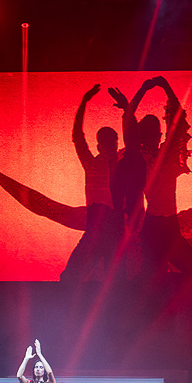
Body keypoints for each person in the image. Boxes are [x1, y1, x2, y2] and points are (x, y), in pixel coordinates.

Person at [117, 76, 192, 282]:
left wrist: (148, 89)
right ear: (154, 136)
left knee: (184, 273)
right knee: (158, 278)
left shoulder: (162, 154)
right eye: (155, 134)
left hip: (164, 226)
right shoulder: (147, 157)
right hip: (158, 226)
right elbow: (176, 121)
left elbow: (175, 121)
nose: (157, 137)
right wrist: (161, 87)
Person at [59, 85, 125, 282]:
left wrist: (126, 109)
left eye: (114, 141)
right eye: (108, 142)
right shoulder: (91, 163)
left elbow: (134, 141)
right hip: (95, 230)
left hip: (115, 231)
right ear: (99, 146)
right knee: (70, 276)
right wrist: (84, 102)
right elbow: (77, 137)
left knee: (115, 281)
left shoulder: (123, 161)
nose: (112, 146)